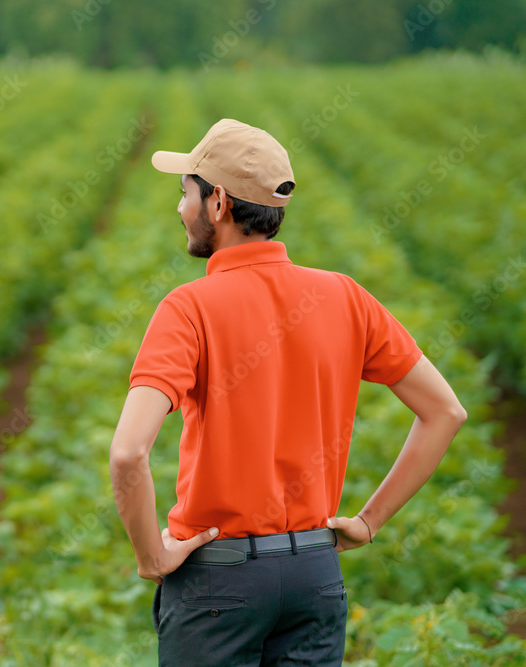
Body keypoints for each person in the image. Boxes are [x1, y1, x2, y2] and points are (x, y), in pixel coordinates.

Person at [109, 119, 467, 666]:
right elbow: (444, 411)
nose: (179, 209)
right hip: (314, 577)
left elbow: (129, 451)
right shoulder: (345, 296)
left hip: (217, 583)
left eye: (185, 193)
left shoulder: (189, 308)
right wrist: (370, 521)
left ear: (219, 202)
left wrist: (151, 554)